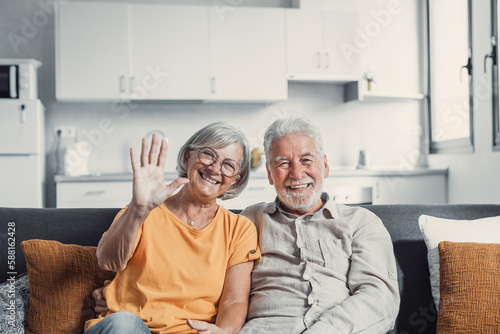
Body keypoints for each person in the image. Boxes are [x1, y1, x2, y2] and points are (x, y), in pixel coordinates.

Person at [93, 116, 400, 333]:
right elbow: (112, 260)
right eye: (283, 163)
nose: (296, 173)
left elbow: (379, 300)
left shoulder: (360, 223)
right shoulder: (251, 221)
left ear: (325, 166)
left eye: (307, 160)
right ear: (269, 174)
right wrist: (139, 211)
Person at [84, 122, 260, 334]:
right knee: (125, 326)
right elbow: (107, 260)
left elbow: (234, 301)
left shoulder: (239, 230)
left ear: (235, 180)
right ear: (188, 157)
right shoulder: (143, 210)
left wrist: (221, 331)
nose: (214, 168)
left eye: (228, 165)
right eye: (208, 155)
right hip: (129, 328)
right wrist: (139, 209)